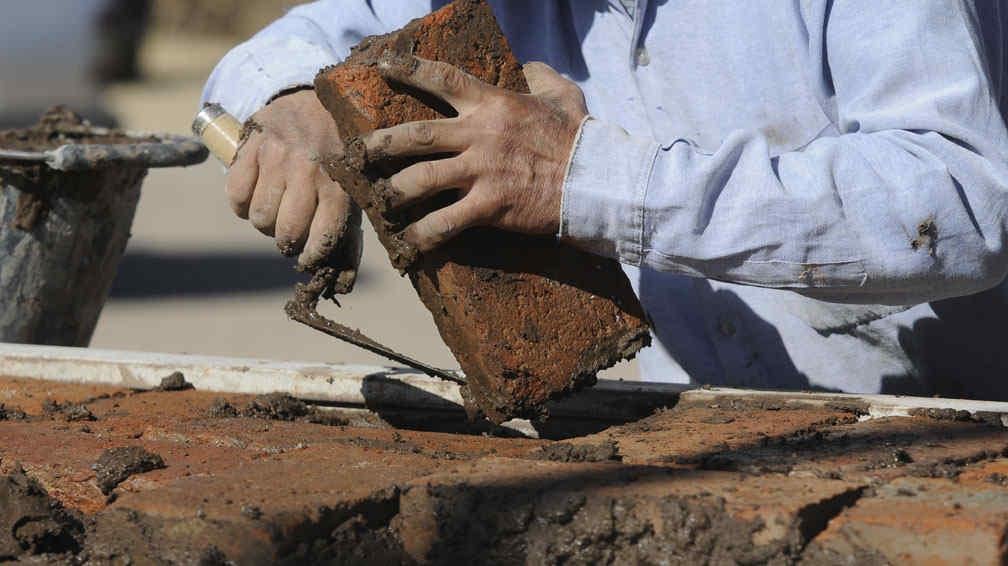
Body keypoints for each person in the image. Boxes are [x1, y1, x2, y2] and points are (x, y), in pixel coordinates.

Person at [202, 1, 1008, 400]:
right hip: (666, 453)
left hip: (938, 444)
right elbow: (299, 36)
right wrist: (295, 100)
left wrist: (583, 181)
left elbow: (966, 200)